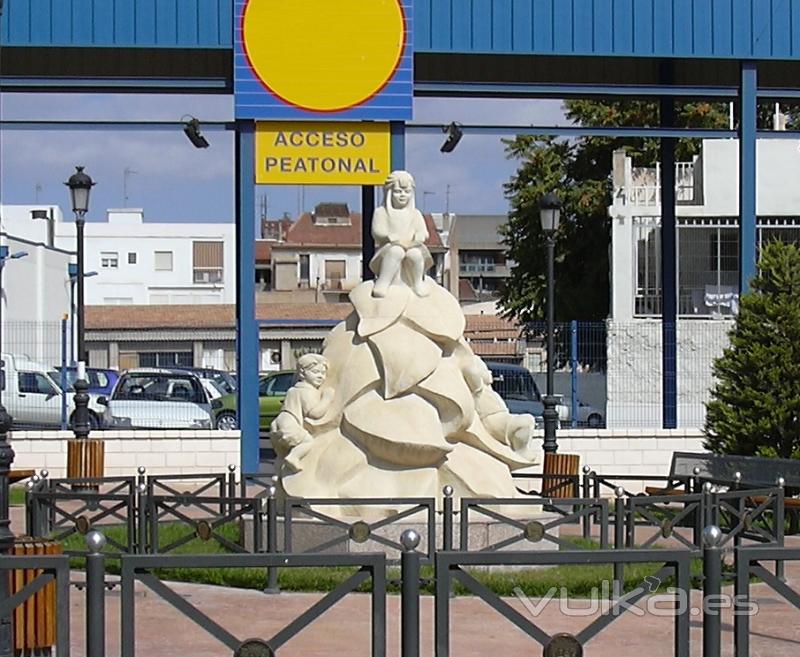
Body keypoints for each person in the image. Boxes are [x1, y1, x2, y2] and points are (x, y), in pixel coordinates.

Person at [369, 170, 433, 298]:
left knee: (415, 254)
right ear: (389, 193)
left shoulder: (415, 214)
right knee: (396, 252)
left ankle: (417, 282)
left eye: (407, 192)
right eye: (398, 192)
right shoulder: (381, 212)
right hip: (390, 248)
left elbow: (423, 231)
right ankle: (384, 281)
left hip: (411, 246)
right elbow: (376, 231)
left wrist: (420, 236)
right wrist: (388, 236)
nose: (402, 195)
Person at [270, 354, 333, 472]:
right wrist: (327, 398)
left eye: (323, 373)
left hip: (277, 424)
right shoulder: (307, 391)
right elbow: (314, 413)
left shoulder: (293, 389)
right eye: (315, 372)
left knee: (281, 455)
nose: (321, 376)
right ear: (303, 373)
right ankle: (294, 457)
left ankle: (277, 476)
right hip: (290, 425)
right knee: (307, 441)